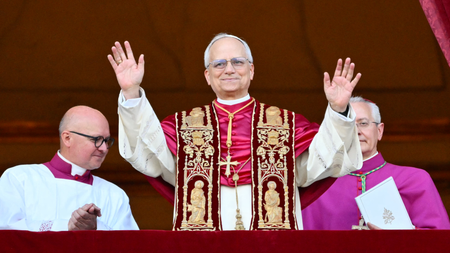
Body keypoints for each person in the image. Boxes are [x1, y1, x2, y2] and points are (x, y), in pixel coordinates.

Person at [108, 33, 363, 231]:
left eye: (237, 62)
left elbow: (322, 163)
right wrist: (131, 94)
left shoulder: (286, 124)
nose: (229, 69)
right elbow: (148, 157)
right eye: (219, 64)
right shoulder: (183, 126)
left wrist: (338, 110)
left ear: (251, 70)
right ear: (207, 76)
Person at [302, 96, 450, 230]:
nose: (357, 131)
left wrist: (402, 239)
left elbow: (441, 241)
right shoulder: (317, 186)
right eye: (349, 125)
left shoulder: (415, 179)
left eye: (363, 123)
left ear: (379, 131)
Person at [0, 106, 139, 231]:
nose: (103, 148)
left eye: (106, 140)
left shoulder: (115, 195)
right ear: (67, 138)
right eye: (96, 139)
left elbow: (130, 245)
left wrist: (96, 229)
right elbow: (7, 231)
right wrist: (66, 226)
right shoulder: (19, 179)